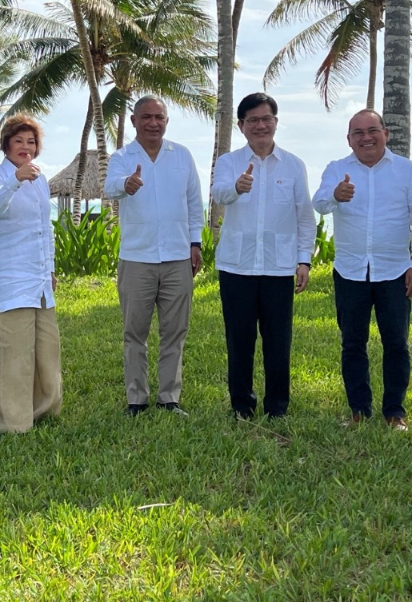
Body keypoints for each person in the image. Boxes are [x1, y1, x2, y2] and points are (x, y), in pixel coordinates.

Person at [314, 109, 412, 430]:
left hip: (395, 271)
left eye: (372, 130)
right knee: (352, 344)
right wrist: (335, 195)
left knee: (397, 344)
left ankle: (395, 412)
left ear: (385, 134)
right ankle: (359, 411)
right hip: (350, 271)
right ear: (349, 140)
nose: (366, 138)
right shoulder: (337, 169)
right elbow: (319, 202)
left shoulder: (406, 171)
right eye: (358, 133)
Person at [210, 93, 315, 420]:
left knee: (278, 341)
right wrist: (237, 187)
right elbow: (217, 194)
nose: (260, 125)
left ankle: (277, 407)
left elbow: (304, 216)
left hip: (278, 267)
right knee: (239, 340)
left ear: (275, 122)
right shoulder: (228, 162)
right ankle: (241, 406)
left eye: (266, 118)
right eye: (252, 120)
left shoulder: (294, 165)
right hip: (237, 266)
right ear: (241, 125)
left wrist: (304, 260)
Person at [104, 97, 204, 417]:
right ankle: (136, 399)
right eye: (146, 117)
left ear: (166, 121)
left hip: (177, 256)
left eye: (159, 117)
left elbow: (194, 202)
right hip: (137, 258)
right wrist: (127, 184)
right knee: (135, 333)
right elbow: (109, 187)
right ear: (134, 121)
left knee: (175, 331)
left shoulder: (182, 155)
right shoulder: (122, 157)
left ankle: (169, 398)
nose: (153, 123)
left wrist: (195, 243)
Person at [0, 114, 62, 432]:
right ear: (6, 145)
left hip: (39, 278)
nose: (25, 147)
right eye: (18, 141)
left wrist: (50, 269)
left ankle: (43, 410)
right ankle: (8, 420)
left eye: (31, 141)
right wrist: (16, 179)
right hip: (11, 277)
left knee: (46, 349)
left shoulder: (41, 179)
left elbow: (46, 228)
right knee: (12, 352)